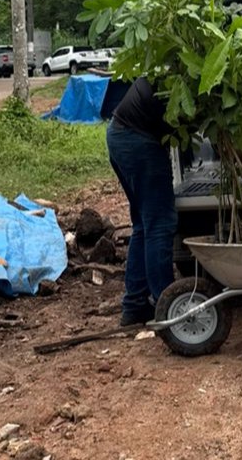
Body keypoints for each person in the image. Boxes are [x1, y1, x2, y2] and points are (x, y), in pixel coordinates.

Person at [106, 77, 177, 325]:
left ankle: (135, 305)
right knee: (160, 224)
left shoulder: (172, 65)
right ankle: (168, 307)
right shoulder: (190, 75)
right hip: (138, 141)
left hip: (119, 133)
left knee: (144, 224)